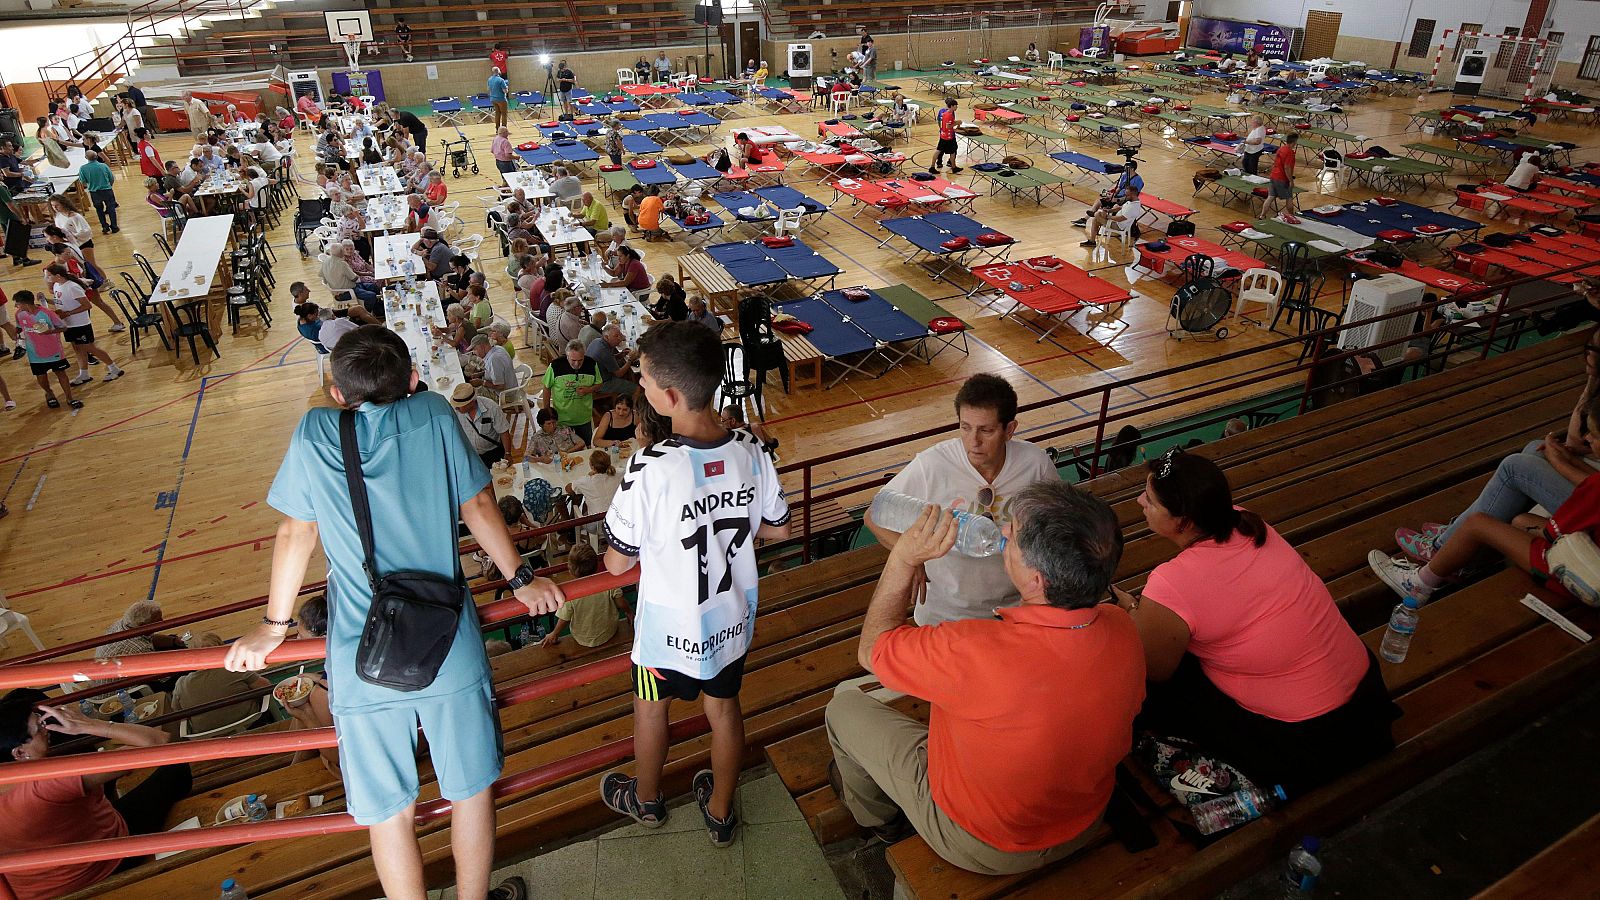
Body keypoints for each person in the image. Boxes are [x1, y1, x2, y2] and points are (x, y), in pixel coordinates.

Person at [222, 326, 560, 900]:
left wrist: (273, 626)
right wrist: (521, 579)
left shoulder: (315, 430)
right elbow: (477, 503)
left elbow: (296, 532)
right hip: (447, 639)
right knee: (470, 792)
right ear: (412, 378)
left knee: (389, 812)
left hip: (361, 653)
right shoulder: (431, 412)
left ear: (336, 392)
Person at [827, 481, 1142, 873]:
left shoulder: (973, 651)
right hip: (1082, 818)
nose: (1004, 531)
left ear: (1037, 580)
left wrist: (904, 559)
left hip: (983, 840)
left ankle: (878, 821)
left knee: (842, 707)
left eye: (1014, 535)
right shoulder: (1122, 627)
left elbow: (871, 649)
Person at [599, 322, 790, 846]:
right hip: (729, 622)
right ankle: (722, 811)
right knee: (725, 711)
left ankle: (647, 799)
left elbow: (617, 564)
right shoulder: (752, 449)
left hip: (665, 633)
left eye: (643, 378)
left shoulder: (649, 467)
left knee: (650, 710)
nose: (639, 387)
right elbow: (779, 528)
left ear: (671, 395)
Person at [1124, 448, 1396, 797]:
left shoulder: (1173, 582)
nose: (1139, 502)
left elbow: (1156, 669)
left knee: (1143, 681)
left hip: (1303, 737)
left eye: (1149, 499)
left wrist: (1134, 615)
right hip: (1364, 701)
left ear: (1184, 522)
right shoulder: (1244, 520)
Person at [865, 374, 1057, 625]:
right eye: (965, 428)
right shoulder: (931, 465)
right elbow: (873, 515)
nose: (973, 442)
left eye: (986, 430)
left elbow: (1060, 526)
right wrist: (910, 556)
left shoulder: (1036, 464)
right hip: (944, 615)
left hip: (1015, 611)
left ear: (1009, 429)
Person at [0, 693, 194, 900]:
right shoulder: (49, 782)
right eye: (39, 728)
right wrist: (87, 724)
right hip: (101, 867)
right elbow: (158, 742)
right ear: (19, 753)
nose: (47, 730)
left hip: (33, 889)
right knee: (176, 768)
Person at [172, 633, 273, 733]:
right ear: (222, 650)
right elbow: (266, 686)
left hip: (208, 736)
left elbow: (177, 712)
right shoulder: (235, 668)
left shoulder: (181, 684)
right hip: (250, 723)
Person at [45, 265, 124, 387]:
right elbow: (60, 301)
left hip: (80, 324)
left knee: (90, 348)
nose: (47, 278)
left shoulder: (73, 287)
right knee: (77, 349)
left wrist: (69, 313)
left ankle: (114, 369)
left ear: (58, 276)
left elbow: (87, 305)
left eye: (49, 275)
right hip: (68, 324)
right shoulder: (57, 286)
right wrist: (45, 301)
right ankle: (84, 374)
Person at [543, 542, 630, 649]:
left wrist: (555, 633)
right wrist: (629, 612)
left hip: (582, 638)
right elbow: (620, 601)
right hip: (609, 631)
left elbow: (564, 617)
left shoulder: (572, 592)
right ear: (597, 564)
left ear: (570, 570)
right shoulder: (607, 582)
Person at [12, 290, 79, 409]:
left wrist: (50, 331)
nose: (16, 306)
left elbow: (63, 328)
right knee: (41, 377)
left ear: (25, 303)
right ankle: (49, 393)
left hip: (54, 351)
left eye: (17, 303)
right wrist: (17, 339)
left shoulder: (47, 313)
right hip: (35, 354)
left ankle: (70, 398)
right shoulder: (19, 314)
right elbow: (18, 328)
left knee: (61, 374)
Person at [543, 339, 604, 443]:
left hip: (584, 417)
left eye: (580, 360)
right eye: (573, 360)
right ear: (567, 356)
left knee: (587, 446)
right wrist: (547, 410)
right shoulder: (555, 366)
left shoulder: (592, 364)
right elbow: (546, 387)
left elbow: (599, 384)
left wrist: (588, 390)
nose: (576, 364)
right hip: (562, 419)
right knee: (565, 448)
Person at [450, 382, 514, 467]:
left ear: (471, 402)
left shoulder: (491, 407)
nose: (456, 408)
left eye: (460, 405)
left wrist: (508, 453)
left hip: (493, 452)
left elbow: (503, 432)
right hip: (473, 455)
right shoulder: (456, 411)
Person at [1072, 160, 1143, 229]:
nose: (1124, 169)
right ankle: (1084, 220)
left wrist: (1117, 199)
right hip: (1117, 197)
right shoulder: (1124, 176)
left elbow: (1133, 196)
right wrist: (1113, 194)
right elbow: (1119, 187)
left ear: (1132, 169)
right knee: (1099, 201)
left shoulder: (1138, 180)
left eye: (1126, 168)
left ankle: (1100, 220)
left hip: (1124, 199)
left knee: (1113, 206)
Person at [1082, 183, 1143, 249]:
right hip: (1116, 221)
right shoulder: (1132, 201)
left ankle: (1094, 214)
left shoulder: (1133, 207)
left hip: (1118, 226)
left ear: (1133, 195)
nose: (1125, 197)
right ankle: (1092, 241)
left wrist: (1108, 217)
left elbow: (1120, 219)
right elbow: (1120, 207)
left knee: (1097, 215)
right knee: (1095, 219)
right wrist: (1109, 210)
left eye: (1127, 195)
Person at [567, 447, 624, 515]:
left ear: (592, 467)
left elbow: (568, 488)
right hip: (617, 515)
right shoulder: (619, 473)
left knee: (585, 500)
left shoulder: (586, 481)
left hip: (596, 521)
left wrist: (588, 476)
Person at [587, 324, 637, 399]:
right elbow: (619, 374)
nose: (620, 338)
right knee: (637, 389)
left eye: (620, 334)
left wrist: (621, 354)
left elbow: (608, 359)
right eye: (616, 336)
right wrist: (630, 360)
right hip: (600, 383)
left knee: (623, 364)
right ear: (607, 337)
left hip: (592, 375)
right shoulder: (604, 352)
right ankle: (633, 408)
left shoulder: (597, 341)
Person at [0, 179, 40, 269]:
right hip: (10, 215)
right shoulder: (1, 188)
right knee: (19, 237)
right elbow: (10, 204)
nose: (2, 174)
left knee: (10, 238)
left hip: (2, 217)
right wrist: (21, 216)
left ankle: (16, 258)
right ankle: (25, 259)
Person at [77, 151, 119, 234]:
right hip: (107, 190)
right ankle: (114, 227)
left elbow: (83, 181)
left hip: (94, 192)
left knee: (99, 210)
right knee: (111, 209)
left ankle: (104, 226)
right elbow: (111, 178)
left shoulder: (83, 168)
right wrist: (109, 186)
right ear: (96, 157)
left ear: (86, 157)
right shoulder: (103, 166)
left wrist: (90, 185)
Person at [1264, 131, 1300, 224]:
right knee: (1289, 198)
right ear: (1294, 142)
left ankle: (1262, 215)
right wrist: (1291, 180)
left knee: (1270, 197)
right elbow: (1287, 167)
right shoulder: (1290, 152)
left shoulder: (1281, 149)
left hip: (1273, 175)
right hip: (1282, 178)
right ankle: (1292, 217)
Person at [469, 332, 516, 397]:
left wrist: (481, 382)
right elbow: (494, 371)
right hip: (511, 386)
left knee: (471, 396)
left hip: (504, 394)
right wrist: (480, 374)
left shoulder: (494, 359)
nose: (474, 352)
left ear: (482, 346)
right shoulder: (498, 348)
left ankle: (511, 405)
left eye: (475, 349)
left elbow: (500, 386)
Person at [931, 97, 962, 175]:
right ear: (951, 106)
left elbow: (946, 124)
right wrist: (957, 123)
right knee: (951, 151)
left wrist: (955, 123)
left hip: (943, 135)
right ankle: (953, 167)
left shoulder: (945, 113)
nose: (957, 107)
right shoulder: (949, 115)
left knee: (941, 150)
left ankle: (933, 167)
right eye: (956, 106)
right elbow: (948, 126)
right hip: (948, 137)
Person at [488, 66, 510, 131]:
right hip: (501, 99)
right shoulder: (501, 80)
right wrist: (507, 87)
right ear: (499, 71)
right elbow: (505, 91)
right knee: (504, 114)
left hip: (493, 99)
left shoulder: (489, 79)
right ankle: (503, 129)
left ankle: (497, 129)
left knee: (497, 113)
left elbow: (489, 89)